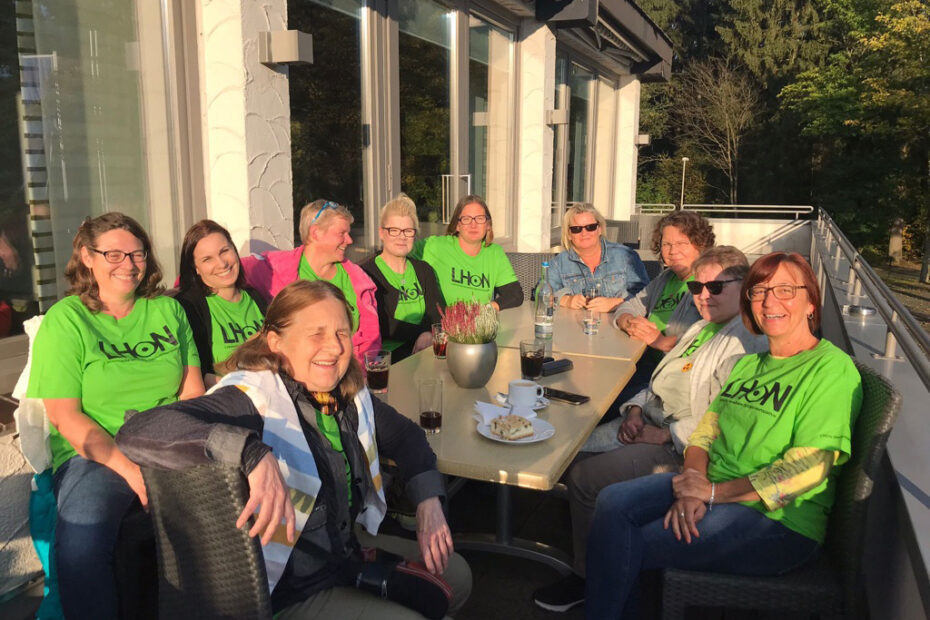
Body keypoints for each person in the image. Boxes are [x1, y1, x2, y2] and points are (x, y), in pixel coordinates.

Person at [116, 280, 471, 618]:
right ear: (275, 341)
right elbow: (139, 430)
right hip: (290, 586)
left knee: (457, 576)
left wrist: (428, 502)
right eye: (315, 334)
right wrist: (250, 453)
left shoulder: (346, 393)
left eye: (341, 333)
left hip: (345, 552)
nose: (333, 347)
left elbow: (407, 436)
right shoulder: (252, 397)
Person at [585, 252, 863, 619]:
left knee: (627, 542)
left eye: (785, 290)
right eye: (760, 292)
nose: (770, 301)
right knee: (612, 502)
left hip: (778, 521)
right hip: (714, 486)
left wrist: (713, 494)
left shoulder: (831, 370)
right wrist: (695, 480)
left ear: (811, 301)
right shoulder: (750, 363)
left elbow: (807, 470)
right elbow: (705, 432)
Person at [532, 246, 767, 613]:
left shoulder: (744, 343)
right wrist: (636, 409)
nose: (704, 296)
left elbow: (725, 419)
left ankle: (588, 576)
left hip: (680, 448)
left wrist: (663, 435)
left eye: (716, 287)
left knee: (584, 475)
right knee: (566, 446)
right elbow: (661, 376)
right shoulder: (704, 326)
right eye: (696, 288)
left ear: (745, 285)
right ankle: (598, 556)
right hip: (649, 423)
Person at [26, 212, 204, 618]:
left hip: (167, 437)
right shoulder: (67, 320)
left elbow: (191, 393)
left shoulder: (167, 311)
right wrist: (128, 469)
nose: (128, 264)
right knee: (81, 547)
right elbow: (66, 416)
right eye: (114, 254)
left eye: (137, 254)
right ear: (88, 257)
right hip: (97, 452)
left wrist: (179, 453)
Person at [241, 199, 380, 364]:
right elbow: (228, 269)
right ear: (316, 233)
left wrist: (359, 376)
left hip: (348, 373)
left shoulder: (359, 281)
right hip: (293, 376)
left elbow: (371, 340)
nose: (349, 240)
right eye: (342, 233)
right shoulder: (275, 269)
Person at [607, 211, 714, 409]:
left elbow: (708, 340)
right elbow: (630, 305)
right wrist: (628, 322)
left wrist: (661, 341)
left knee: (602, 400)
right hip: (643, 364)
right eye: (666, 244)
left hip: (670, 380)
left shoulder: (706, 286)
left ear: (700, 245)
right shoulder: (666, 278)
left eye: (682, 243)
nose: (673, 251)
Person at [175, 219, 268, 386]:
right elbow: (194, 375)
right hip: (226, 400)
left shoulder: (257, 298)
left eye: (224, 251)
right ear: (196, 268)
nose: (222, 263)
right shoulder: (189, 307)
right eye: (207, 259)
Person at [361, 194, 445, 362]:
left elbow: (438, 314)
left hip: (425, 354)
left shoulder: (424, 270)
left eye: (408, 231)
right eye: (394, 230)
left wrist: (429, 333)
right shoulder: (367, 273)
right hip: (386, 362)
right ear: (381, 233)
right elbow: (384, 326)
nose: (402, 237)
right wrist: (423, 332)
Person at [410, 194, 522, 310]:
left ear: (488, 225)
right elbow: (403, 251)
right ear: (457, 225)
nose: (473, 224)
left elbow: (515, 295)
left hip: (477, 326)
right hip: (442, 325)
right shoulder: (436, 246)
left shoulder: (494, 253)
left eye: (479, 218)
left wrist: (484, 310)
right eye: (466, 219)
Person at [547, 203, 649, 313]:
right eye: (576, 229)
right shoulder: (560, 263)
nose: (584, 233)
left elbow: (646, 295)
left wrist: (616, 302)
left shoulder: (626, 256)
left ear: (599, 229)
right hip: (578, 326)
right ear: (569, 234)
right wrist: (566, 300)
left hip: (618, 325)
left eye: (590, 227)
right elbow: (542, 292)